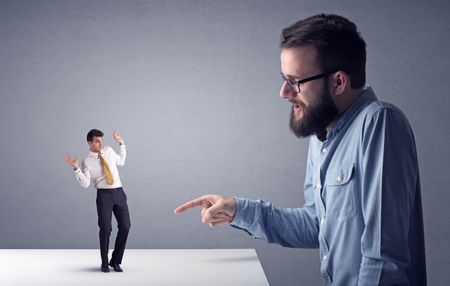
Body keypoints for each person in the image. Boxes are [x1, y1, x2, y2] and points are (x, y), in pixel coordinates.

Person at [174, 14, 427, 285]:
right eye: (284, 78)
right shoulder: (322, 135)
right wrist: (238, 210)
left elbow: (382, 259)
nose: (283, 92)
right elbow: (317, 225)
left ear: (339, 82)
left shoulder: (379, 123)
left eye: (295, 81)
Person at [65, 129, 131, 273]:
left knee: (126, 226)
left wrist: (121, 144)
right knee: (106, 229)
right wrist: (76, 168)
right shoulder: (86, 161)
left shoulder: (108, 150)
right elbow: (85, 184)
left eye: (101, 140)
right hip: (104, 195)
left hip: (119, 191)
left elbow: (121, 161)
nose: (100, 143)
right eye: (97, 141)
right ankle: (104, 263)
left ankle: (116, 261)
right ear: (89, 142)